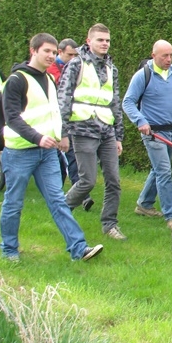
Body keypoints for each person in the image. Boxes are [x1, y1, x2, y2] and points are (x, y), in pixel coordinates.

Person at [0, 32, 103, 262]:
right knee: (14, 202)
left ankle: (79, 249)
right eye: (47, 51)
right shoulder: (16, 80)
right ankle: (9, 250)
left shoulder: (49, 79)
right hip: (19, 153)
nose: (51, 56)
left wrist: (62, 136)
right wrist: (37, 138)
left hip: (46, 152)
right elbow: (12, 118)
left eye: (54, 52)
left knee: (57, 200)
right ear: (33, 50)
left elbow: (54, 113)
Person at [57, 23, 126, 240]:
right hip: (82, 128)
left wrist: (119, 135)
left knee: (114, 180)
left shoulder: (111, 68)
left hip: (106, 130)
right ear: (89, 41)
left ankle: (110, 225)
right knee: (87, 180)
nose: (105, 44)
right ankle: (62, 213)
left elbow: (115, 102)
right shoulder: (76, 64)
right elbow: (64, 97)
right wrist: (63, 132)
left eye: (107, 40)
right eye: (100, 40)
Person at [122, 40, 172, 231]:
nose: (169, 59)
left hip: (171, 130)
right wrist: (140, 121)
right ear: (153, 55)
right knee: (164, 171)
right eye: (164, 55)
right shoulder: (143, 75)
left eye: (171, 55)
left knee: (158, 170)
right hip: (153, 133)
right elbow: (128, 102)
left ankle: (144, 204)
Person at [47, 38, 94, 211]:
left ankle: (78, 196)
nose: (74, 57)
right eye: (70, 54)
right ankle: (65, 197)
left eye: (76, 54)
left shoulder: (75, 67)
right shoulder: (52, 70)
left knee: (70, 159)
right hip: (53, 121)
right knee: (62, 161)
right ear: (60, 53)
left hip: (71, 121)